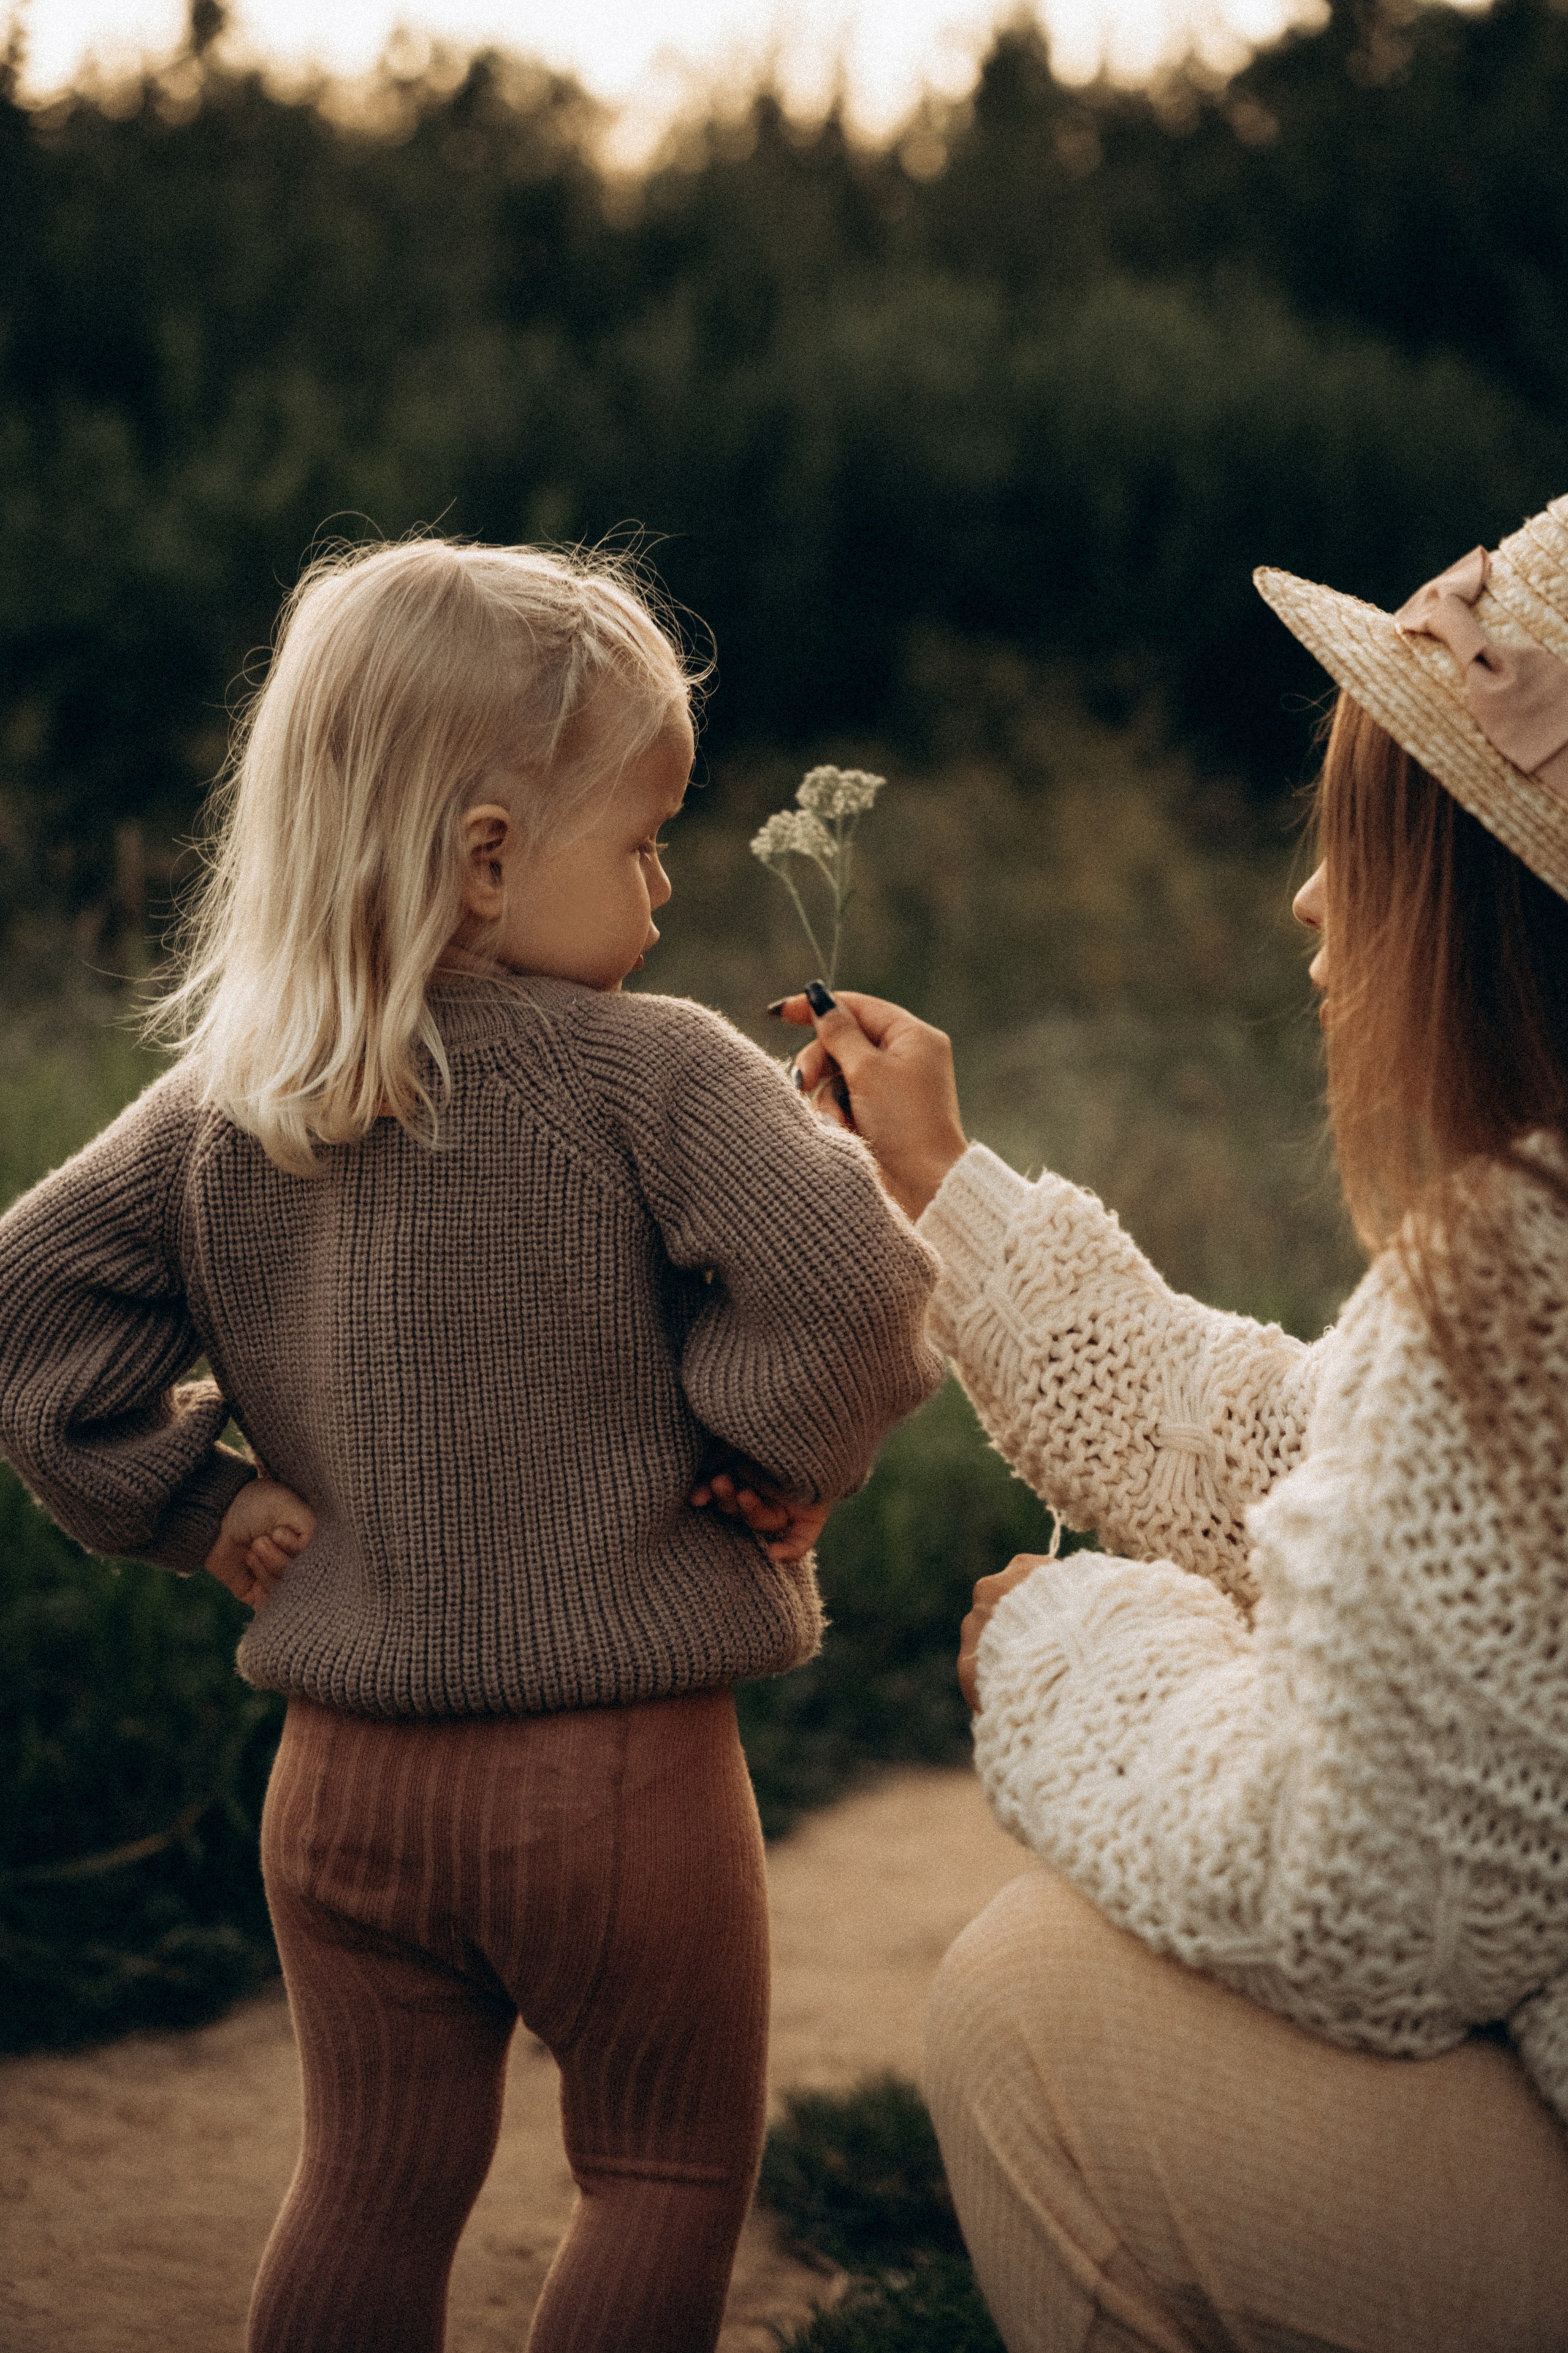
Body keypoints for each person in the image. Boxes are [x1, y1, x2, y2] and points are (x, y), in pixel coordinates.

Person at [0, 538, 942, 2353]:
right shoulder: (648, 1069)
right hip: (614, 1777)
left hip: (342, 1790)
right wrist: (771, 1459)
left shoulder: (231, 1100)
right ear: (493, 856)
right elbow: (852, 1287)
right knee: (662, 2175)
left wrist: (192, 1501)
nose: (666, 891)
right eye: (646, 838)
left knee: (365, 2188)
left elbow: (30, 1321)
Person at [777, 492, 1568, 2351]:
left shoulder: (1521, 1273)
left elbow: (1367, 1905)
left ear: (1484, 900)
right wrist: (949, 1197)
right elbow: (1330, 1461)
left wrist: (1077, 1647)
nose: (1307, 897)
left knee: (1030, 2003)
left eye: (1360, 839)